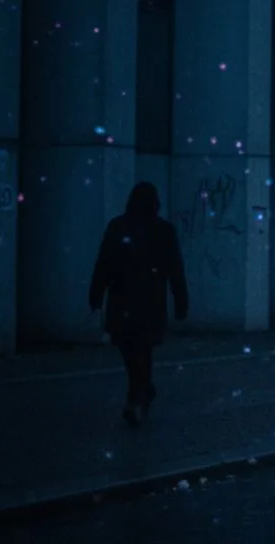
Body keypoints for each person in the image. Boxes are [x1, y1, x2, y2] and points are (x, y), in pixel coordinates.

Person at [88, 182, 189, 427]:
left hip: (122, 300)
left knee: (129, 350)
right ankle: (140, 394)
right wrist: (180, 301)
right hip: (150, 301)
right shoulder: (163, 230)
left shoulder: (117, 226)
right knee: (143, 350)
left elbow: (103, 264)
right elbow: (175, 269)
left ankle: (138, 395)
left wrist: (96, 295)